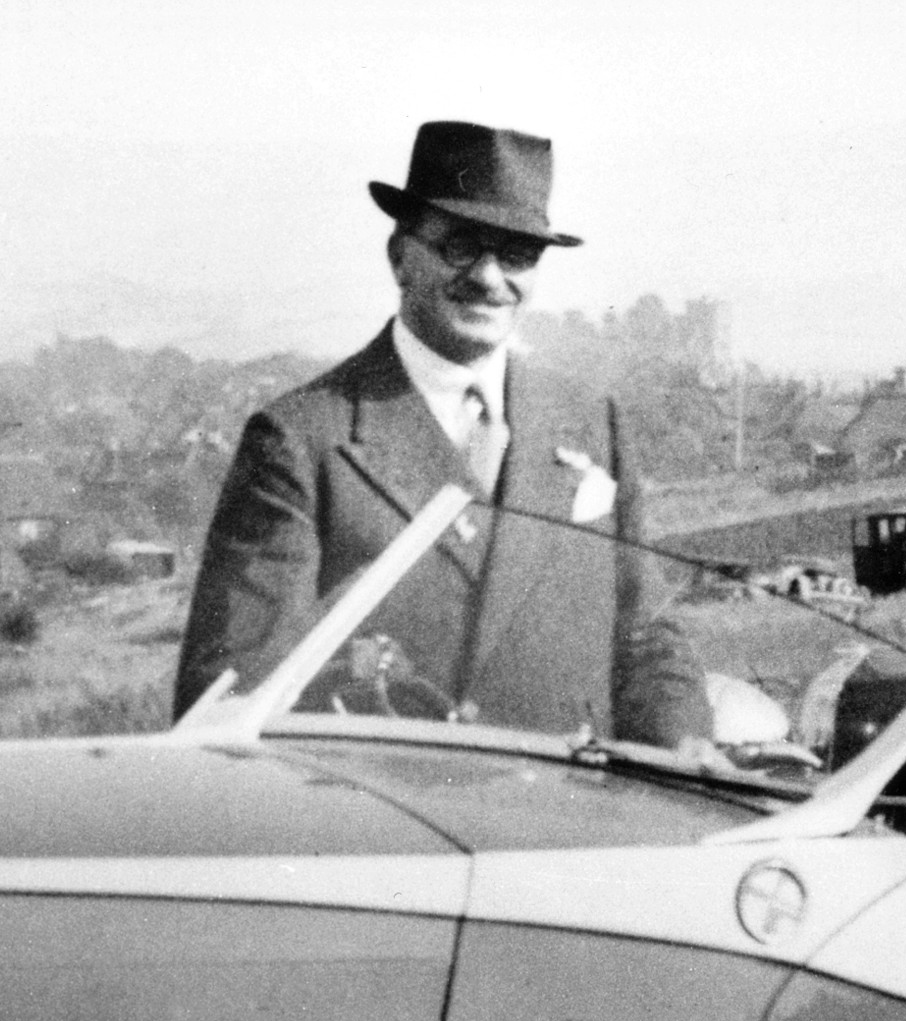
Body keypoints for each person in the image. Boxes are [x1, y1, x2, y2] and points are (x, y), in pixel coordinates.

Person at [175, 120, 712, 748]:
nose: (489, 278)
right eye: (460, 245)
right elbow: (232, 692)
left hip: (568, 820)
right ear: (400, 257)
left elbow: (644, 633)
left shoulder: (592, 420)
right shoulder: (303, 439)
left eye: (516, 255)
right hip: (390, 827)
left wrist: (684, 745)